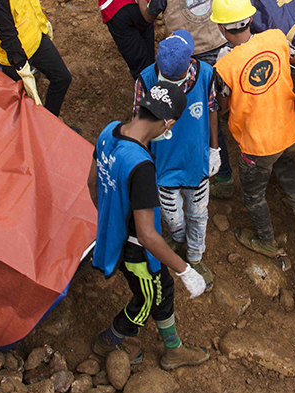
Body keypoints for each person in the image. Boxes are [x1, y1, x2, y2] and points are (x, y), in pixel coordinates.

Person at [87, 80, 210, 371]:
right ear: (167, 123)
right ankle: (107, 341)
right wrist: (185, 269)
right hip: (137, 252)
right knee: (149, 298)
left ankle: (174, 348)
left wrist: (111, 218)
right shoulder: (141, 166)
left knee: (161, 291)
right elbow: (147, 234)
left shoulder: (109, 130)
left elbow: (92, 184)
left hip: (112, 237)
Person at [210, 0, 295, 257]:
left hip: (259, 146)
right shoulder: (276, 38)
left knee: (253, 194)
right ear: (249, 19)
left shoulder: (224, 66)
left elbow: (221, 108)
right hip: (292, 131)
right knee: (286, 165)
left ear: (222, 30)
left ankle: (267, 241)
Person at [134, 0, 234, 195]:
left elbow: (148, 17)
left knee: (204, 111)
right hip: (226, 46)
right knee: (223, 106)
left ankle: (223, 175)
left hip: (195, 58)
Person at [134, 32, 220, 289]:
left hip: (196, 163)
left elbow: (212, 108)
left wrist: (214, 148)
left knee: (198, 213)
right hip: (163, 167)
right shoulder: (146, 80)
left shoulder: (205, 74)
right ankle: (177, 237)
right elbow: (139, 123)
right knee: (172, 216)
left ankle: (195, 254)